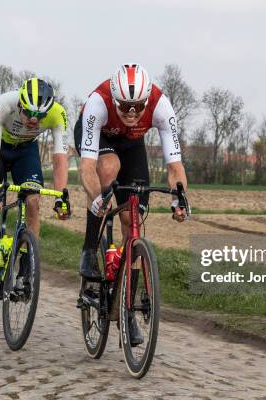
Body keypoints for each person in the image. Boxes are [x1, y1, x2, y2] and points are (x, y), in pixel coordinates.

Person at [75, 63, 189, 345]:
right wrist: (98, 199)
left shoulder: (161, 106)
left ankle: (128, 311)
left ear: (147, 100)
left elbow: (175, 166)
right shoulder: (97, 103)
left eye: (138, 106)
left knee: (132, 219)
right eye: (125, 106)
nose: (132, 112)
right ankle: (90, 250)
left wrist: (179, 198)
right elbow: (87, 167)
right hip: (99, 139)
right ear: (115, 99)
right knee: (109, 167)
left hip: (132, 144)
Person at [0, 77, 70, 295]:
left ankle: (25, 269)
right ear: (20, 104)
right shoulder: (2, 104)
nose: (34, 120)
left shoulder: (58, 114)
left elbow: (61, 158)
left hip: (26, 151)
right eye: (29, 113)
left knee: (33, 201)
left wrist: (62, 196)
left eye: (40, 116)